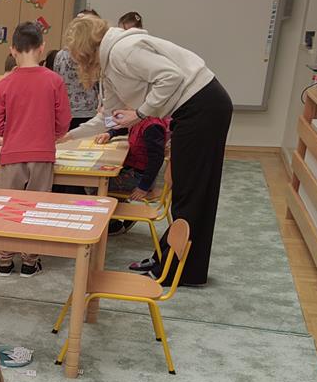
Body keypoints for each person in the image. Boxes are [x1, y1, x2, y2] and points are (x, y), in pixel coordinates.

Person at [62, 14, 233, 285]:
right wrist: (68, 135)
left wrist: (140, 113)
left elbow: (171, 77)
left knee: (192, 193)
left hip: (202, 107)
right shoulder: (110, 61)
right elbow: (109, 117)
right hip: (194, 109)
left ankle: (180, 270)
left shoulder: (122, 50)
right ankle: (166, 256)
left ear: (85, 49)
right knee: (186, 191)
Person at [0, 21, 71, 277]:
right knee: (36, 209)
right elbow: (64, 121)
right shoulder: (54, 81)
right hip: (42, 154)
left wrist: (12, 132)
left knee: (10, 208)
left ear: (12, 49)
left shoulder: (4, 83)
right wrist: (50, 134)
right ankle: (29, 261)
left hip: (12, 154)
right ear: (42, 48)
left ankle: (4, 260)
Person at [53, 9, 102, 130]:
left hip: (67, 112)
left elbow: (56, 84)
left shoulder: (60, 55)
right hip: (89, 113)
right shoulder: (94, 55)